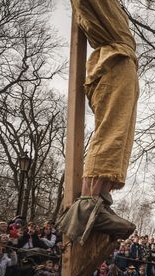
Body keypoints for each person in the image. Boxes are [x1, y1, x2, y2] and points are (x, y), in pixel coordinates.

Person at [57, 0, 138, 250]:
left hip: (122, 63)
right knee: (110, 135)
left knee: (119, 141)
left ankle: (100, 201)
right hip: (112, 61)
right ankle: (88, 205)